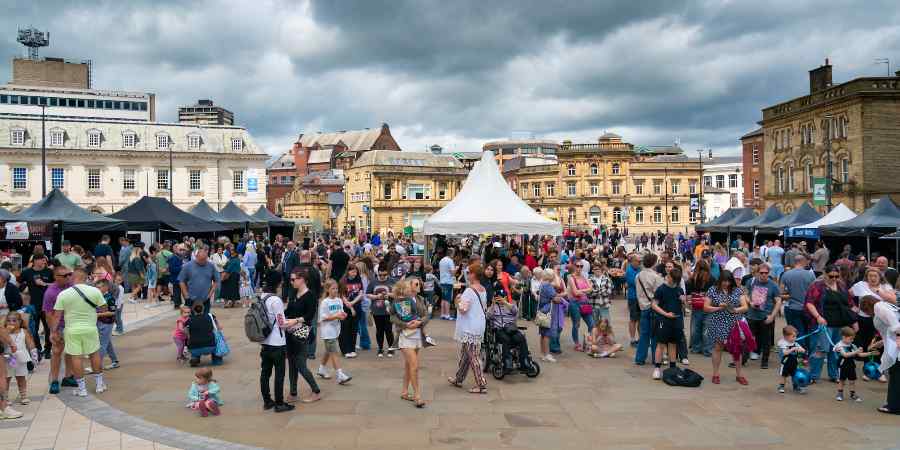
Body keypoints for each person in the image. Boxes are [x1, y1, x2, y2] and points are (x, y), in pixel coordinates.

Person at [53, 268, 107, 396]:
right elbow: (103, 308)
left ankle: (82, 389)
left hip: (72, 330)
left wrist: (53, 331)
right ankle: (99, 385)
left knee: (76, 358)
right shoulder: (95, 291)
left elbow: (57, 316)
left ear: (74, 278)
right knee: (94, 355)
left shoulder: (64, 294)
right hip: (90, 328)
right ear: (86, 277)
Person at [804, 264, 854, 383]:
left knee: (836, 350)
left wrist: (854, 320)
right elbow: (809, 303)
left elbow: (849, 304)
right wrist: (818, 316)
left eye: (837, 276)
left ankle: (834, 374)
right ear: (825, 275)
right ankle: (813, 375)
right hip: (823, 325)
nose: (834, 279)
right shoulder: (817, 286)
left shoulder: (841, 286)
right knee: (820, 350)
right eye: (831, 276)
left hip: (840, 325)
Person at [703, 270, 750, 385]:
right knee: (718, 347)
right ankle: (715, 374)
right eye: (724, 281)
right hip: (718, 322)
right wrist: (719, 307)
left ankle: (739, 375)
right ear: (720, 280)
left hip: (734, 322)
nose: (726, 284)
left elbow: (745, 307)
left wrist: (734, 310)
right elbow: (705, 307)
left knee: (736, 349)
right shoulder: (713, 289)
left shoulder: (738, 290)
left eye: (728, 281)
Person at [448, 262, 488, 394]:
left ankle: (481, 384)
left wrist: (457, 300)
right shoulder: (482, 289)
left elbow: (463, 309)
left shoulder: (470, 290)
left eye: (469, 272)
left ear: (474, 275)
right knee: (466, 354)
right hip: (478, 324)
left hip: (470, 326)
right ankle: (458, 378)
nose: (467, 274)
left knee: (473, 356)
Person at [389, 279, 429, 408]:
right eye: (416, 284)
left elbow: (427, 315)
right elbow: (392, 317)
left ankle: (405, 392)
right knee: (414, 365)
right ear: (409, 287)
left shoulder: (421, 299)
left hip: (417, 334)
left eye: (419, 284)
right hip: (404, 335)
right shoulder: (398, 301)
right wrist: (405, 324)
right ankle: (417, 396)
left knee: (409, 365)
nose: (419, 286)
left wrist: (419, 322)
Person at [285, 268, 321, 404]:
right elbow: (289, 310)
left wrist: (296, 320)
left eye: (294, 279)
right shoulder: (294, 293)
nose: (292, 282)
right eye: (291, 279)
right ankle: (293, 393)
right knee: (292, 364)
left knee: (300, 364)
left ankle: (316, 391)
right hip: (290, 332)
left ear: (302, 280)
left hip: (302, 334)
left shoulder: (310, 295)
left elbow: (309, 316)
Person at [486, 283, 530, 372]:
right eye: (498, 297)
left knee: (521, 338)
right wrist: (493, 304)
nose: (500, 299)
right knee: (506, 339)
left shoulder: (510, 306)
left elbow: (515, 311)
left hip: (511, 329)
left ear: (506, 297)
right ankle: (507, 362)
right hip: (499, 330)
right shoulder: (493, 307)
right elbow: (488, 316)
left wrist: (505, 303)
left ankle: (524, 362)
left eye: (502, 297)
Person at [744, 263, 781, 369]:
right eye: (762, 273)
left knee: (766, 340)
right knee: (748, 338)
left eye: (766, 273)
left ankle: (764, 361)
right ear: (758, 272)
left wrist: (772, 316)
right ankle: (743, 359)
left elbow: (778, 301)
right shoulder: (751, 282)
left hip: (766, 317)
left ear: (769, 273)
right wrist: (750, 302)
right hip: (752, 316)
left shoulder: (773, 285)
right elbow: (745, 294)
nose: (764, 275)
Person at [651, 265, 685, 380]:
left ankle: (672, 368)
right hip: (663, 321)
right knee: (660, 345)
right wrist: (666, 314)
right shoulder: (661, 289)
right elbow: (654, 305)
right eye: (669, 276)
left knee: (673, 344)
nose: (668, 278)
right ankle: (657, 368)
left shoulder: (679, 290)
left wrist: (684, 301)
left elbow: (684, 306)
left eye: (671, 277)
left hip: (677, 321)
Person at [317, 279, 352, 385]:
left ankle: (321, 369)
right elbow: (323, 318)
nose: (335, 290)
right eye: (333, 288)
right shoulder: (325, 302)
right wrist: (335, 316)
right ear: (327, 290)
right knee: (333, 352)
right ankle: (340, 375)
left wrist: (343, 315)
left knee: (328, 350)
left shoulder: (339, 300)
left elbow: (341, 312)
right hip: (328, 331)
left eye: (336, 288)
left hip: (336, 330)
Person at [780, 254, 816, 350]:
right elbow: (814, 293)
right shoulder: (810, 275)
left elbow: (781, 292)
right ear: (803, 262)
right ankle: (806, 353)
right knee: (807, 331)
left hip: (792, 307)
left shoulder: (786, 274)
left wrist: (790, 295)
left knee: (795, 332)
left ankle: (800, 354)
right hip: (808, 308)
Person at [19, 255, 52, 357]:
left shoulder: (49, 272)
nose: (44, 262)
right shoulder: (27, 272)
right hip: (33, 305)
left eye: (45, 260)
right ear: (35, 261)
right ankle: (37, 349)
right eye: (42, 260)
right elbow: (18, 284)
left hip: (48, 305)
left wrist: (44, 284)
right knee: (34, 329)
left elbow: (56, 285)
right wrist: (25, 289)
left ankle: (47, 350)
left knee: (48, 328)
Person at [833, 326, 877, 402]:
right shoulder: (839, 345)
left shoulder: (852, 345)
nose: (852, 340)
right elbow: (845, 355)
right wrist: (856, 352)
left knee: (852, 380)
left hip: (851, 365)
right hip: (842, 365)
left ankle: (852, 394)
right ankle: (840, 393)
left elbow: (860, 354)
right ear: (844, 337)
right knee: (842, 380)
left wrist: (870, 353)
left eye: (853, 339)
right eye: (850, 339)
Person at [873, 295, 900, 413]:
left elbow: (896, 327)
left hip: (896, 349)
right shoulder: (890, 307)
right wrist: (880, 342)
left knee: (896, 376)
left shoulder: (879, 307)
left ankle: (893, 406)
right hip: (894, 347)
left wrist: (898, 337)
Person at [634, 253, 663, 366]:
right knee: (655, 335)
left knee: (644, 335)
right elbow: (659, 294)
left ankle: (640, 358)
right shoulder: (656, 277)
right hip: (654, 308)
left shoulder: (638, 276)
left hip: (643, 307)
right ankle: (656, 359)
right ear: (653, 263)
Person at [3, 312, 37, 405]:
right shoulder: (4, 332)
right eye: (9, 320)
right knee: (7, 377)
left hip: (21, 358)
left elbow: (30, 343)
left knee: (21, 376)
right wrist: (6, 334)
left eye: (14, 320)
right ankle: (5, 397)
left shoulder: (23, 332)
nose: (11, 323)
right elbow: (2, 344)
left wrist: (34, 354)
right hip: (9, 358)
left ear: (20, 322)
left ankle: (23, 395)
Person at [178, 247, 219, 314]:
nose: (203, 262)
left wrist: (210, 294)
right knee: (191, 320)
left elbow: (216, 280)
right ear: (196, 257)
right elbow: (181, 281)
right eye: (201, 260)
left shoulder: (211, 266)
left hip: (205, 300)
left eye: (205, 259)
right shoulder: (187, 266)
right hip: (191, 299)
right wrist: (186, 295)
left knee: (205, 319)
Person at [687, 259, 714, 356]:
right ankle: (707, 350)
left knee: (695, 328)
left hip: (697, 306)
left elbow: (688, 293)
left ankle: (696, 348)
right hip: (708, 306)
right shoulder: (711, 278)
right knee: (707, 329)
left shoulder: (692, 278)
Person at [367, 267, 395, 357]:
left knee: (388, 330)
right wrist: (376, 297)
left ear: (388, 274)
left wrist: (388, 294)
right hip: (376, 310)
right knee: (379, 330)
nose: (382, 277)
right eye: (380, 275)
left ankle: (391, 348)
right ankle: (380, 348)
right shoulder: (373, 282)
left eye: (384, 275)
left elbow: (397, 293)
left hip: (389, 311)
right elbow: (367, 294)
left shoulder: (392, 281)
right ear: (377, 273)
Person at [184, 302, 223, 367]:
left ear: (193, 310)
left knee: (193, 344)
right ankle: (217, 360)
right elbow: (218, 328)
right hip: (210, 346)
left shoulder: (189, 319)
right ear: (203, 308)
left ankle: (195, 358)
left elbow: (185, 331)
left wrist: (189, 337)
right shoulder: (210, 316)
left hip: (194, 347)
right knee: (217, 341)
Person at [567, 261, 594, 352]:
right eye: (577, 266)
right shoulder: (570, 277)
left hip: (585, 303)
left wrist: (581, 291)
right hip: (574, 303)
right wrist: (587, 290)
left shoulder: (584, 276)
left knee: (592, 324)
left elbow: (591, 289)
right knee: (576, 324)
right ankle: (576, 343)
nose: (579, 268)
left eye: (581, 266)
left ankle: (587, 342)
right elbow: (575, 292)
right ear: (574, 266)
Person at [338, 266, 364, 358]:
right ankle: (345, 350)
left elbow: (361, 294)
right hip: (345, 308)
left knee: (354, 329)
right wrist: (349, 305)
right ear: (348, 272)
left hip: (356, 306)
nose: (354, 273)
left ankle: (352, 349)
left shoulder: (359, 280)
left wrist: (353, 303)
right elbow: (342, 295)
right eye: (352, 272)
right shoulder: (343, 281)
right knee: (345, 329)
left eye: (355, 272)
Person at [94, 280, 119, 370]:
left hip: (107, 323)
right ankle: (115, 361)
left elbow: (112, 312)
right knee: (107, 343)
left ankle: (96, 366)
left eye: (99, 287)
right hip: (99, 323)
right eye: (96, 287)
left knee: (102, 345)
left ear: (106, 288)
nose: (97, 289)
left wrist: (97, 315)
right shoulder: (97, 297)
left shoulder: (110, 298)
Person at [776, 325, 806, 394]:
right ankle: (781, 386)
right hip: (786, 362)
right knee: (784, 375)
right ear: (786, 336)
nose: (795, 338)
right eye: (793, 336)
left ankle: (796, 386)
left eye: (795, 336)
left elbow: (803, 350)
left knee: (794, 375)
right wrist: (793, 349)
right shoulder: (783, 343)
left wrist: (801, 349)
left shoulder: (795, 343)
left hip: (794, 362)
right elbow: (785, 353)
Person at [624, 254, 641, 347]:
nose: (640, 263)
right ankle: (632, 339)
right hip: (633, 297)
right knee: (633, 319)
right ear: (633, 261)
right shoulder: (629, 270)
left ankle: (640, 338)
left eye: (640, 261)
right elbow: (634, 283)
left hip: (640, 298)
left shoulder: (639, 269)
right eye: (638, 261)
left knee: (640, 319)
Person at [438, 249, 457, 320]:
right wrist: (456, 269)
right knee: (447, 299)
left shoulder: (442, 260)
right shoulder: (450, 261)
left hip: (442, 281)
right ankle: (447, 315)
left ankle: (443, 314)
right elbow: (453, 273)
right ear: (452, 254)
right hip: (448, 282)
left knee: (443, 298)